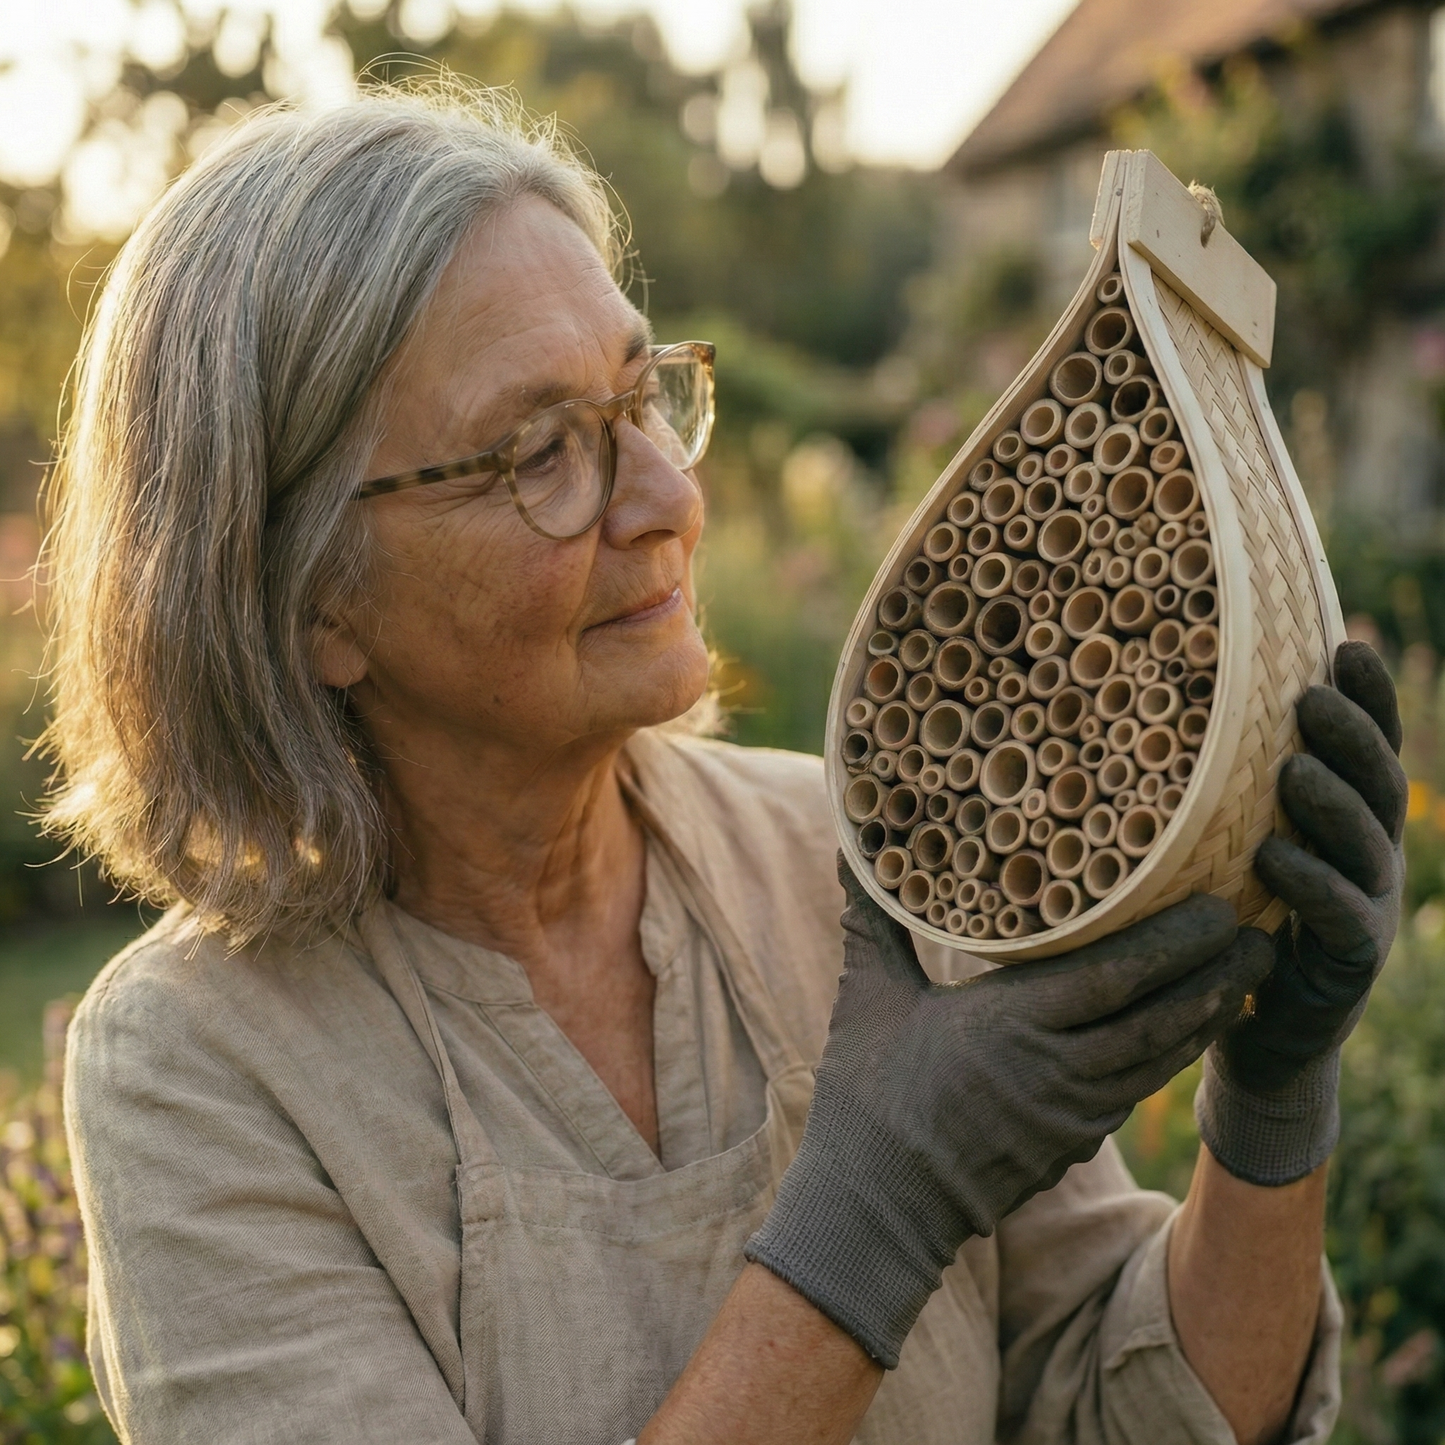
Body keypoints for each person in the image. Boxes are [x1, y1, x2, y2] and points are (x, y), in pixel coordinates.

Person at [48, 85, 1403, 1445]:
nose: (667, 500)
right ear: (307, 597)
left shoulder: (850, 854)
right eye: (541, 454)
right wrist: (875, 1212)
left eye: (643, 401)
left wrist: (1271, 1104)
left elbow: (1145, 1418)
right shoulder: (196, 1071)